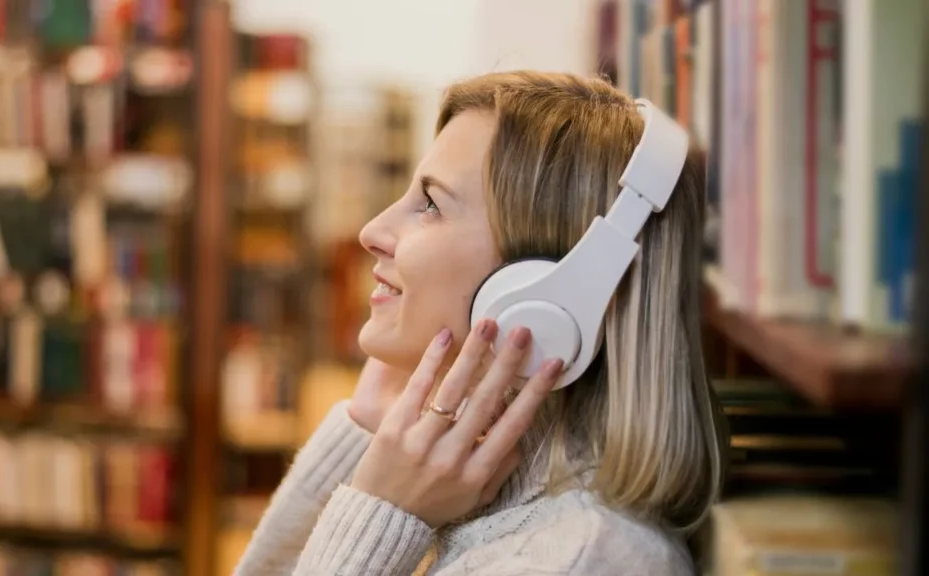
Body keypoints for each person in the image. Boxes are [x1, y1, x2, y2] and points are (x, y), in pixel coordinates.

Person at [233, 71, 728, 575]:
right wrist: (366, 446)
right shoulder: (461, 486)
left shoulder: (578, 560)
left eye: (430, 206)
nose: (371, 231)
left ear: (555, 291)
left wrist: (381, 513)